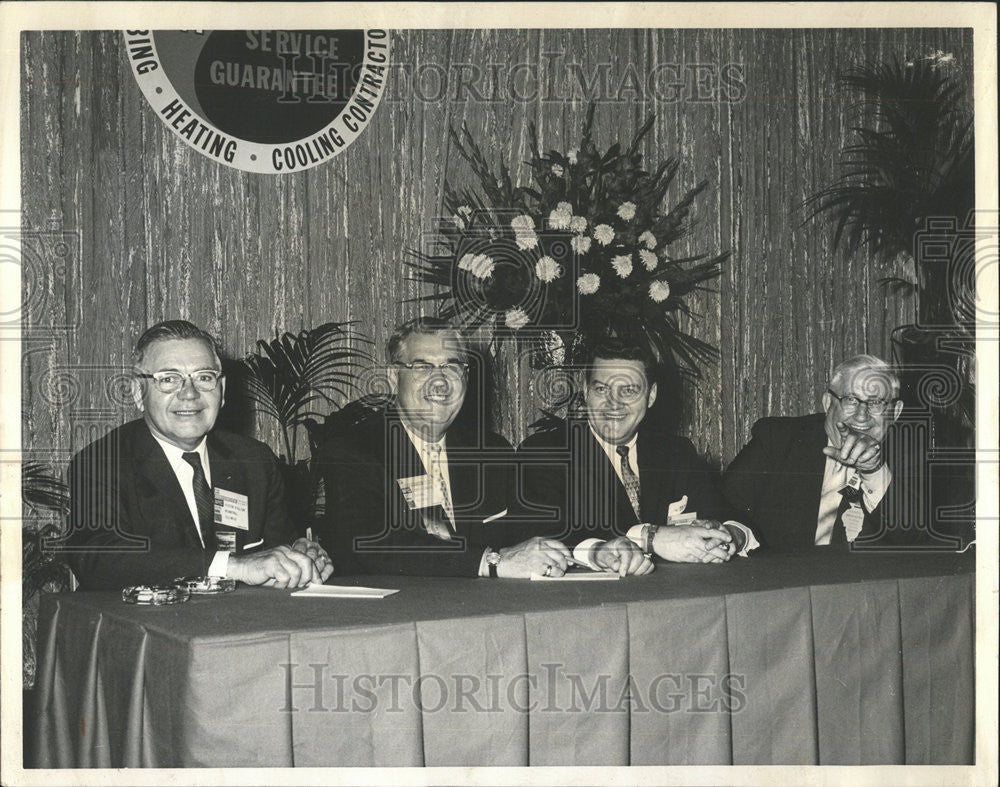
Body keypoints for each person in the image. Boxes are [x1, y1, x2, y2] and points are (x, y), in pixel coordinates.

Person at [65, 320, 333, 590]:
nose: (189, 394)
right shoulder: (101, 463)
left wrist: (299, 557)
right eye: (169, 379)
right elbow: (97, 558)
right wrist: (233, 566)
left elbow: (275, 551)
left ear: (222, 390)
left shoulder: (254, 461)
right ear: (138, 392)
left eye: (204, 377)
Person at [311, 317, 572, 578]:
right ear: (393, 377)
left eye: (451, 366)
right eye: (422, 367)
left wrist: (594, 552)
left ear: (466, 377)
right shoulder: (353, 450)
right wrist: (491, 562)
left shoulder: (493, 451)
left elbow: (534, 531)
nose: (440, 382)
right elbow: (373, 543)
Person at [519, 337, 757, 574]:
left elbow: (727, 514)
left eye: (629, 390)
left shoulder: (676, 452)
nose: (614, 403)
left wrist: (727, 535)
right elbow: (546, 533)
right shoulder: (545, 452)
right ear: (585, 390)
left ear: (651, 396)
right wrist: (650, 538)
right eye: (602, 389)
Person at [721, 354, 926, 550]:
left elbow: (914, 539)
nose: (862, 416)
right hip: (779, 580)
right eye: (851, 400)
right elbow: (723, 506)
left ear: (896, 412)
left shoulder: (912, 455)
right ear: (828, 403)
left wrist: (874, 470)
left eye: (876, 403)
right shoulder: (779, 440)